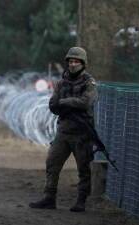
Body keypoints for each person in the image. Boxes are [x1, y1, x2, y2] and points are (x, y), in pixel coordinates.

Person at [29, 47, 98, 212]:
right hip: (63, 131)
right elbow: (52, 105)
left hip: (82, 132)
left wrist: (65, 102)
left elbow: (86, 102)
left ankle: (81, 200)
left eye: (76, 61)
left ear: (83, 63)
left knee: (83, 168)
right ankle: (49, 197)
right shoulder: (62, 83)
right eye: (71, 61)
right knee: (52, 163)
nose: (73, 64)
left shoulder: (89, 82)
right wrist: (68, 104)